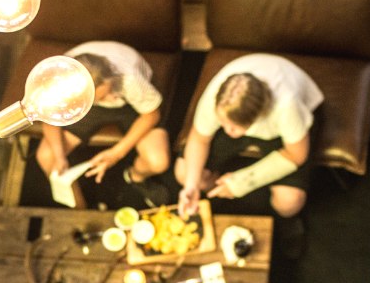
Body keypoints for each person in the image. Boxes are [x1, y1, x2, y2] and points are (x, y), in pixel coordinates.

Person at [176, 54, 323, 253]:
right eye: (223, 122)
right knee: (184, 172)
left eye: (233, 127)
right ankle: (216, 193)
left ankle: (288, 223)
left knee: (289, 201)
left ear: (257, 116)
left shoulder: (286, 107)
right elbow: (199, 139)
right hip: (242, 117)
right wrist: (191, 185)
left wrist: (241, 182)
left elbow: (296, 155)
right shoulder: (217, 98)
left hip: (280, 129)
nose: (227, 130)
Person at [36, 41, 171, 208]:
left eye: (109, 90)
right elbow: (49, 118)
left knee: (158, 161)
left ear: (111, 76)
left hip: (130, 102)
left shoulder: (130, 78)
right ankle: (80, 210)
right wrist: (59, 156)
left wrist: (117, 153)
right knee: (46, 156)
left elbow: (152, 114)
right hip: (88, 106)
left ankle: (135, 177)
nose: (112, 99)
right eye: (102, 98)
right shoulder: (58, 81)